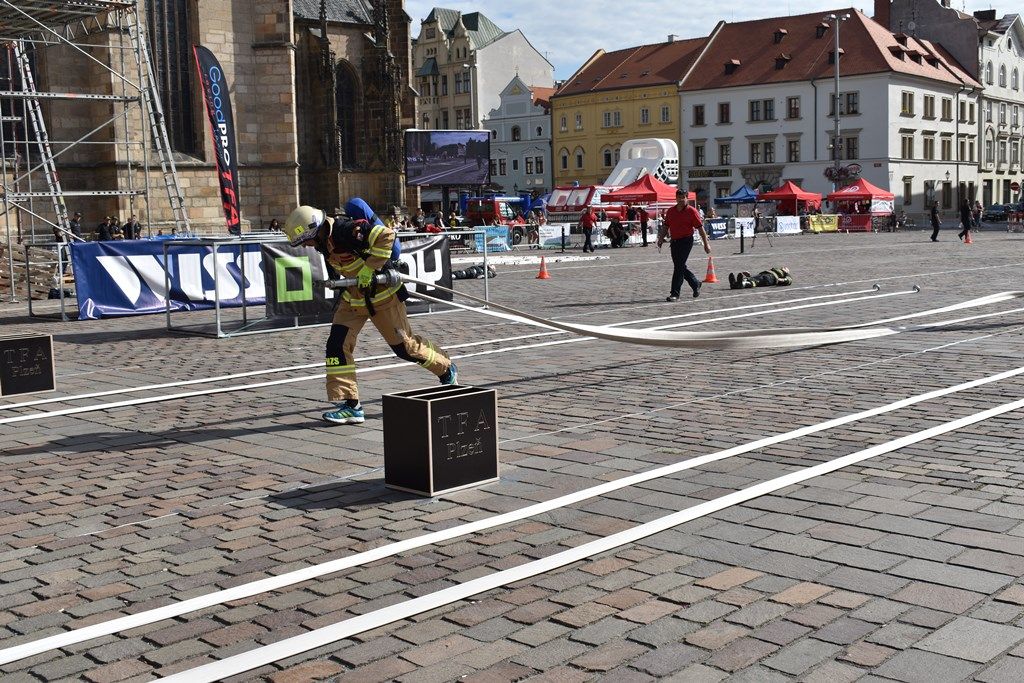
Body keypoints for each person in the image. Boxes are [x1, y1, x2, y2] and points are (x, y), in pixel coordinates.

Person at [285, 198, 457, 425]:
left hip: (383, 297)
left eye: (305, 241)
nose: (307, 246)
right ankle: (350, 405)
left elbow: (387, 236)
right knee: (337, 345)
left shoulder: (347, 230)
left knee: (405, 348)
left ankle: (446, 369)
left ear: (314, 230)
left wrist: (369, 268)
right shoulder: (322, 242)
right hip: (353, 298)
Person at [659, 188, 711, 301]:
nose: (681, 200)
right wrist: (660, 239)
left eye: (683, 197)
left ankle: (675, 293)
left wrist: (706, 244)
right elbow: (665, 226)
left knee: (678, 267)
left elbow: (700, 229)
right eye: (679, 197)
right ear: (676, 198)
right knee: (680, 266)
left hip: (686, 241)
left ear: (687, 198)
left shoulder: (692, 211)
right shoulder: (671, 211)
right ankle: (695, 283)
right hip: (674, 242)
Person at [728, 266, 793, 289]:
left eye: (785, 268)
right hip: (763, 275)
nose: (783, 268)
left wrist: (783, 280)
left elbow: (789, 280)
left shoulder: (786, 274)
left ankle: (742, 284)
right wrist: (749, 275)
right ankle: (734, 284)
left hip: (771, 278)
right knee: (751, 279)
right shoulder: (776, 270)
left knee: (756, 282)